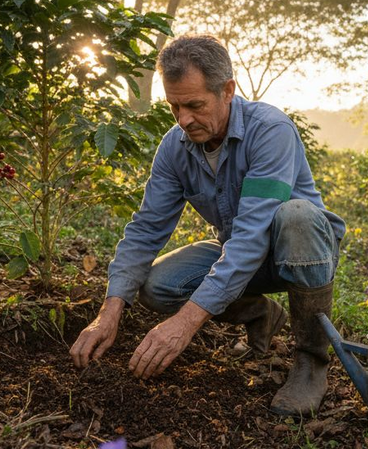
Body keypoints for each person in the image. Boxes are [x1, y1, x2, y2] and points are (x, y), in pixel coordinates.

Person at [69, 34, 345, 416]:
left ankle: (311, 363)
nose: (184, 119)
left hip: (299, 257)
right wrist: (109, 310)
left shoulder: (270, 130)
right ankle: (260, 314)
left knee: (296, 217)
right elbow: (146, 228)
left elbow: (252, 238)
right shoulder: (175, 146)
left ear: (227, 90)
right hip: (239, 255)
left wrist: (185, 324)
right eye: (174, 106)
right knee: (156, 286)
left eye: (195, 105)